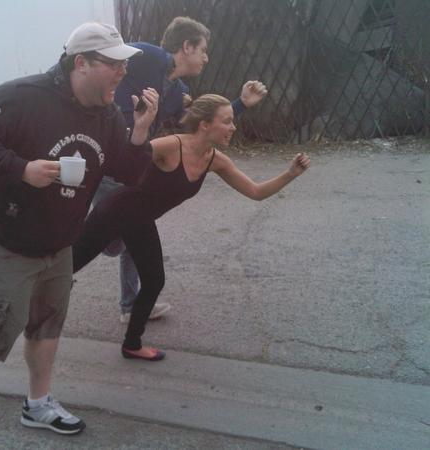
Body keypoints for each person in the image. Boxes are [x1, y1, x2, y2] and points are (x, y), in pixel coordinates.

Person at [0, 22, 160, 435]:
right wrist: (21, 169)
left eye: (125, 64)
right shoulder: (22, 97)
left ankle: (37, 405)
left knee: (47, 320)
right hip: (1, 230)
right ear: (81, 63)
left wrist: (140, 132)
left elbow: (126, 172)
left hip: (58, 235)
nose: (123, 72)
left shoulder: (108, 115)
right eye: (114, 64)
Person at [73, 94, 311, 361]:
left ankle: (132, 344)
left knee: (153, 281)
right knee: (66, 266)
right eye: (227, 121)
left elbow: (255, 192)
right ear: (204, 125)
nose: (233, 127)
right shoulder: (171, 146)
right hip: (114, 213)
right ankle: (35, 312)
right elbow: (126, 161)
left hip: (139, 222)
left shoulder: (215, 160)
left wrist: (290, 174)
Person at [94, 16, 264, 324]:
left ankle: (130, 306)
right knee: (111, 242)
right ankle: (59, 248)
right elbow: (105, 59)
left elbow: (201, 124)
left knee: (134, 227)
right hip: (110, 162)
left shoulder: (176, 90)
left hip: (133, 164)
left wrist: (241, 103)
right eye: (203, 50)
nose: (206, 58)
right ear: (186, 46)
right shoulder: (147, 56)